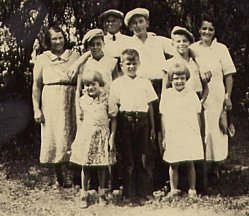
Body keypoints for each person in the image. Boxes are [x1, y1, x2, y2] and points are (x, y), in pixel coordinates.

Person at [124, 7, 175, 189]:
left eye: (141, 22)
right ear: (130, 27)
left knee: (162, 129)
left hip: (161, 87)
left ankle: (165, 177)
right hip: (139, 89)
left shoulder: (159, 40)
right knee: (146, 133)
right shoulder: (127, 43)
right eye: (134, 23)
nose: (138, 26)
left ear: (147, 23)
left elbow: (182, 48)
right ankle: (146, 179)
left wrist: (169, 70)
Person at [32, 26, 79, 187]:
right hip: (51, 98)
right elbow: (36, 86)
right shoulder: (42, 59)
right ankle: (59, 176)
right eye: (54, 39)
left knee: (72, 134)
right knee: (54, 136)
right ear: (48, 41)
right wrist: (36, 109)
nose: (58, 41)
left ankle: (76, 177)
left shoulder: (74, 56)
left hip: (71, 97)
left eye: (60, 38)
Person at [108, 48, 158, 202]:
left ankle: (144, 192)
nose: (131, 67)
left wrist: (152, 127)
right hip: (125, 122)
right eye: (127, 64)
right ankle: (129, 193)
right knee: (127, 158)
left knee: (143, 157)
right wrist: (113, 133)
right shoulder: (116, 84)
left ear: (139, 64)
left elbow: (150, 106)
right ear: (121, 65)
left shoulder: (145, 82)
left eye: (134, 63)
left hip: (143, 121)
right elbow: (114, 109)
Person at [190, 16, 237, 177]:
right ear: (199, 30)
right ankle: (203, 167)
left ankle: (217, 167)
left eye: (210, 29)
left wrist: (227, 97)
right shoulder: (193, 48)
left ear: (215, 31)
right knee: (204, 128)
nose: (207, 32)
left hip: (217, 94)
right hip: (200, 94)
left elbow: (229, 75)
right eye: (204, 29)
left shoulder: (221, 49)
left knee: (218, 129)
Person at [70, 70, 115, 208]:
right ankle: (84, 193)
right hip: (86, 135)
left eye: (93, 84)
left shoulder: (106, 98)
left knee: (102, 165)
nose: (90, 87)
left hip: (102, 135)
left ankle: (102, 193)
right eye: (87, 85)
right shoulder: (82, 101)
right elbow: (80, 121)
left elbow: (113, 118)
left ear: (99, 84)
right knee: (86, 165)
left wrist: (112, 137)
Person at [160, 62, 204, 197]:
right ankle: (174, 189)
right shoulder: (167, 95)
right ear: (171, 79)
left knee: (190, 161)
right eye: (176, 79)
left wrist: (198, 134)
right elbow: (163, 116)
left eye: (182, 78)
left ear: (186, 79)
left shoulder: (191, 94)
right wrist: (164, 135)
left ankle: (192, 188)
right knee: (174, 163)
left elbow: (197, 114)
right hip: (173, 132)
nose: (179, 81)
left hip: (189, 132)